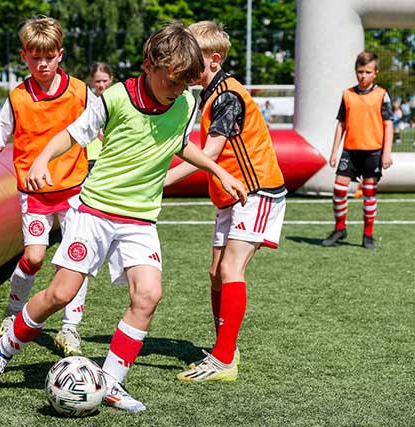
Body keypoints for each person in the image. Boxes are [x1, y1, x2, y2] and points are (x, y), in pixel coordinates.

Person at [0, 21, 247, 412]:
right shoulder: (115, 97)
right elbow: (71, 134)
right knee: (59, 294)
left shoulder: (186, 103)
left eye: (185, 83)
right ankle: (1, 351)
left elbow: (181, 144)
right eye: (171, 81)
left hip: (141, 219)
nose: (177, 90)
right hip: (95, 212)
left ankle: (112, 381)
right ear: (149, 66)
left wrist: (218, 170)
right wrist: (43, 159)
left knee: (148, 295)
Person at [0, 16, 92, 354]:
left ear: (60, 54)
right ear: (24, 56)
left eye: (49, 57)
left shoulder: (80, 91)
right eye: (35, 57)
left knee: (75, 259)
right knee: (33, 257)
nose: (42, 63)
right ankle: (13, 313)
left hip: (75, 190)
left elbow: (100, 126)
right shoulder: (17, 97)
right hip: (35, 195)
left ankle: (70, 329)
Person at [163, 21, 287, 383]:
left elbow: (210, 154)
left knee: (232, 268)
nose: (183, 63)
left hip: (256, 190)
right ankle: (225, 347)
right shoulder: (208, 94)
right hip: (230, 195)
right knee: (216, 271)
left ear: (214, 60)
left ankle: (223, 360)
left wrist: (162, 181)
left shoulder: (227, 96)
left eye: (191, 56)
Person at [49, 61, 115, 357]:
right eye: (97, 81)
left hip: (104, 168)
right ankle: (16, 321)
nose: (101, 85)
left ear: (111, 80)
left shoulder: (115, 102)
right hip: (80, 168)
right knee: (69, 251)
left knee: (81, 250)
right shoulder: (87, 101)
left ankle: (69, 325)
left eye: (105, 80)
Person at [322, 51, 393, 250]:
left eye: (368, 72)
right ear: (356, 72)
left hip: (373, 151)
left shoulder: (382, 95)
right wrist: (334, 151)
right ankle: (340, 228)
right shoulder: (348, 94)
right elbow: (341, 124)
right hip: (350, 151)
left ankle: (368, 234)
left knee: (369, 193)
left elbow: (388, 124)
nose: (363, 76)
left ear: (375, 73)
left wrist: (387, 153)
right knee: (339, 188)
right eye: (360, 71)